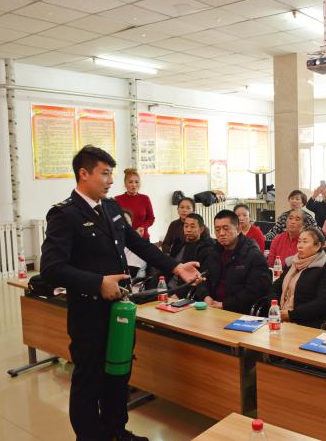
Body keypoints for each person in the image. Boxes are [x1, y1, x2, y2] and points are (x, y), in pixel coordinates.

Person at [40, 146, 201, 441]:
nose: (110, 180)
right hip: (89, 312)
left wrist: (176, 267)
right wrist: (97, 283)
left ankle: (116, 431)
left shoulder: (111, 208)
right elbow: (51, 269)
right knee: (89, 379)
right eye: (104, 173)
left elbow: (140, 245)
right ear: (83, 173)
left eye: (111, 174)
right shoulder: (65, 214)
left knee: (118, 372)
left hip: (119, 309)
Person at [202, 210, 272, 314]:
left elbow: (255, 291)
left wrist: (224, 305)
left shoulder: (252, 254)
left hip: (238, 310)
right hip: (211, 307)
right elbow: (202, 278)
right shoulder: (214, 251)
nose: (221, 233)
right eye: (217, 230)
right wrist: (206, 296)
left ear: (238, 229)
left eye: (226, 228)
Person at [269, 227, 326, 328]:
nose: (300, 246)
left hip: (307, 323)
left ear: (317, 246)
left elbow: (323, 302)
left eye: (305, 242)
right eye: (299, 241)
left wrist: (291, 315)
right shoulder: (292, 263)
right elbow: (274, 288)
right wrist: (275, 308)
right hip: (280, 318)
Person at [165, 213, 217, 301]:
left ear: (201, 229)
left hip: (182, 293)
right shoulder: (178, 245)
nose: (188, 230)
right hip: (166, 287)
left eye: (192, 227)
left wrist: (178, 295)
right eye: (186, 226)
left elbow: (199, 278)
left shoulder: (206, 249)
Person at [114, 168, 155, 240]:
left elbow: (151, 218)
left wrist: (142, 227)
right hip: (125, 238)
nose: (134, 185)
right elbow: (115, 220)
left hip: (142, 237)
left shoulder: (145, 198)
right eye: (130, 182)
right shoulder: (117, 199)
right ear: (125, 184)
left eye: (137, 182)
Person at [121, 209, 146, 280]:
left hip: (132, 283)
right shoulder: (115, 243)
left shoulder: (137, 245)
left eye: (126, 222)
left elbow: (131, 273)